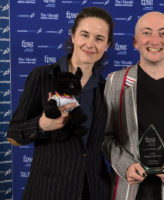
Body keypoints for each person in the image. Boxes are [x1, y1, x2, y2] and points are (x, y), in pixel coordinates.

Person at [7, 7, 113, 200]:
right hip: (48, 191)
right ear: (73, 36)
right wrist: (41, 125)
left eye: (99, 38)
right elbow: (13, 135)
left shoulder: (106, 89)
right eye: (84, 35)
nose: (90, 44)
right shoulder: (42, 77)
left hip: (94, 191)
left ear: (107, 45)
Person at [102, 11, 164, 200]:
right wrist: (125, 165)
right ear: (135, 42)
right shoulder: (116, 82)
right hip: (128, 188)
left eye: (163, 33)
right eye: (146, 33)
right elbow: (106, 136)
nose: (154, 40)